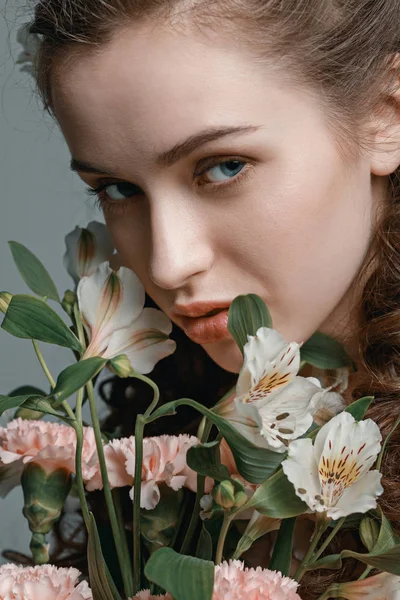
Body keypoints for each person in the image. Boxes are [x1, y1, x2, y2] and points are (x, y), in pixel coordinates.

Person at [27, 0, 400, 597]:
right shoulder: (177, 454)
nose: (167, 263)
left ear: (387, 117)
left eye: (224, 167)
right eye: (117, 189)